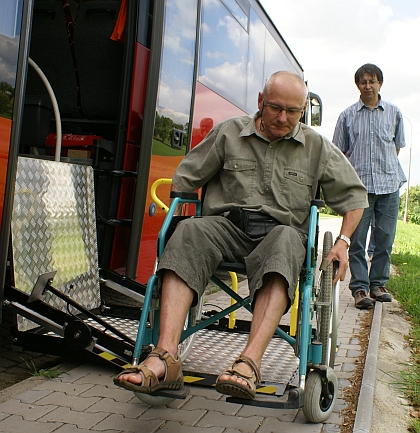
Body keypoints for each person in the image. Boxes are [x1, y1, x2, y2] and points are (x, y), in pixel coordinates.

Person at [114, 71, 367, 400]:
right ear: (260, 101)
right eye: (275, 108)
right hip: (227, 228)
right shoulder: (229, 133)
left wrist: (343, 243)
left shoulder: (316, 146)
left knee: (287, 242)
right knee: (188, 230)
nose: (282, 117)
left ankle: (248, 363)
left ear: (303, 109)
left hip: (281, 233)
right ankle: (165, 357)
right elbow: (185, 178)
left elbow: (354, 198)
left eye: (293, 111)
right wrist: (184, 199)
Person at [333, 63, 406, 309]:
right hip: (359, 189)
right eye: (363, 82)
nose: (367, 86)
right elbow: (339, 153)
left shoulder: (394, 113)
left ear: (380, 84)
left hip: (388, 185)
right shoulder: (347, 116)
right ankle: (360, 289)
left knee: (385, 239)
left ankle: (378, 285)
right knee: (357, 241)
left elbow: (396, 148)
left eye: (372, 81)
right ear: (358, 86)